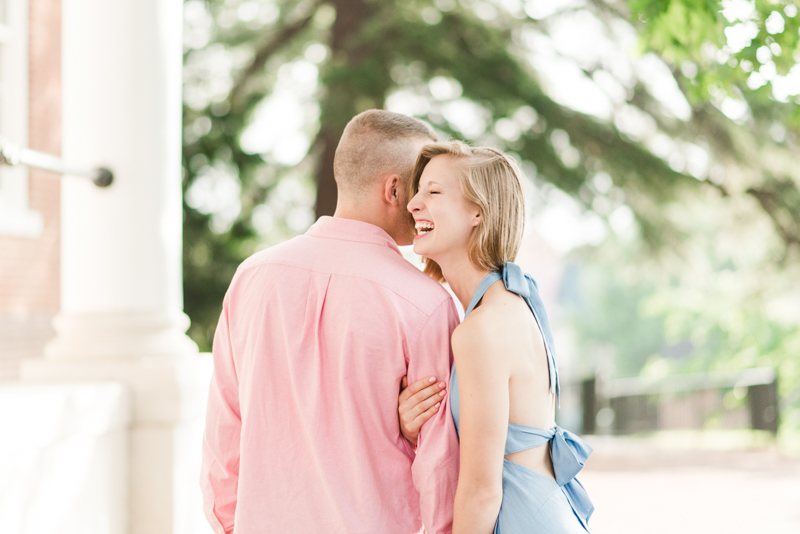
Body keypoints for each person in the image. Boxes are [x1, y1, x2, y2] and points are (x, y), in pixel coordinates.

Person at [200, 110, 461, 534]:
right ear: (394, 190)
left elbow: (224, 433)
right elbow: (440, 466)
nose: (422, 204)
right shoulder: (426, 304)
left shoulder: (251, 277)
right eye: (420, 188)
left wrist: (232, 527)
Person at [398, 141, 594, 534]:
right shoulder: (514, 301)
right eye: (417, 191)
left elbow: (481, 492)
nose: (413, 204)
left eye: (433, 192)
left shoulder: (483, 328)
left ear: (478, 212)